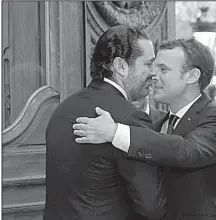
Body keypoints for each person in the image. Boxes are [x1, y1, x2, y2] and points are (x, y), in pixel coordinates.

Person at [73, 38, 216, 220]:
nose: (153, 75)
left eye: (163, 69)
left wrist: (115, 132)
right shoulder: (155, 123)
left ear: (192, 76)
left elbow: (187, 151)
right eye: (153, 67)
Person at [44, 25, 166, 220]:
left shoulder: (62, 109)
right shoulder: (130, 118)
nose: (153, 73)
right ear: (121, 66)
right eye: (148, 64)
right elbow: (151, 206)